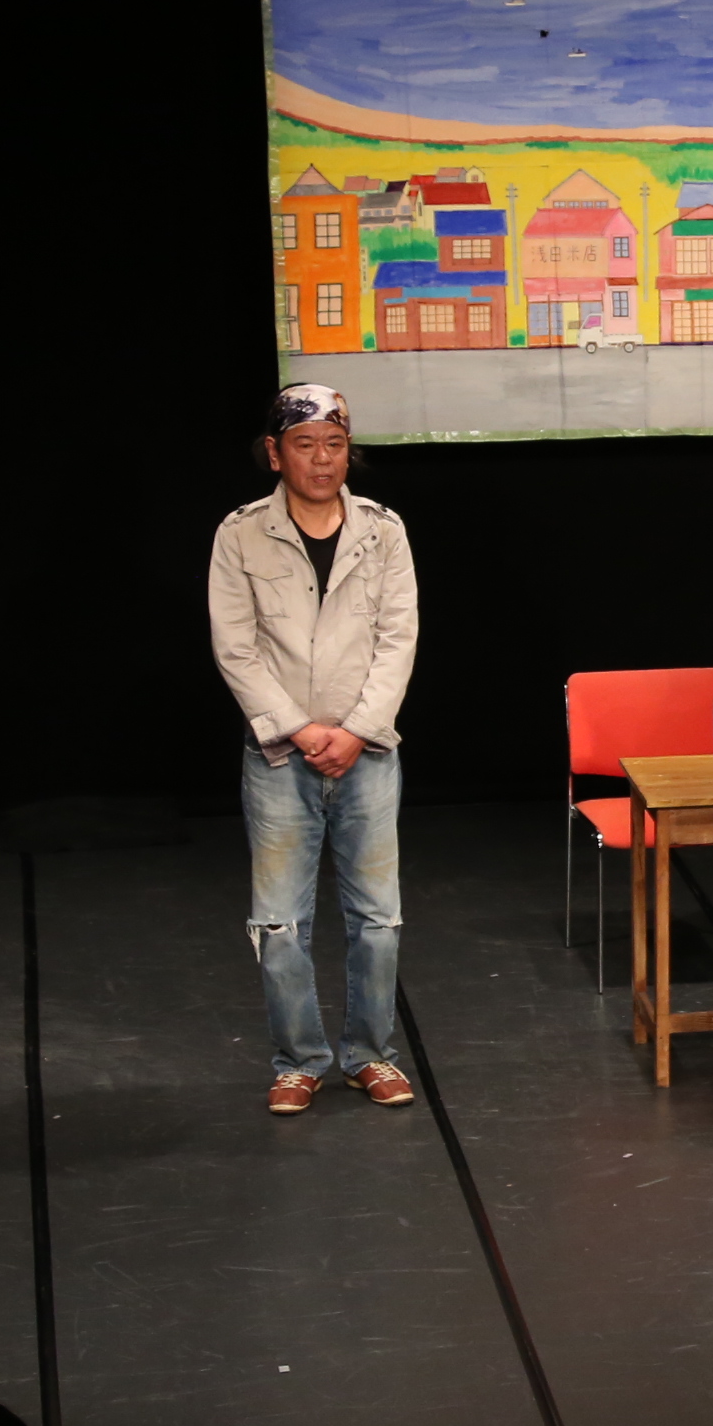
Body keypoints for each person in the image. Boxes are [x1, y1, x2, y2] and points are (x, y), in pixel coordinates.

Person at [208, 380, 421, 1116]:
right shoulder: (240, 533)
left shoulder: (382, 529)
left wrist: (356, 730)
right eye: (305, 445)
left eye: (335, 445)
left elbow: (399, 639)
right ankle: (299, 1060)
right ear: (275, 453)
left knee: (378, 920)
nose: (323, 460)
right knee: (279, 922)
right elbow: (236, 649)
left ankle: (371, 1055)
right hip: (279, 756)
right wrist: (299, 730)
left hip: (368, 751)